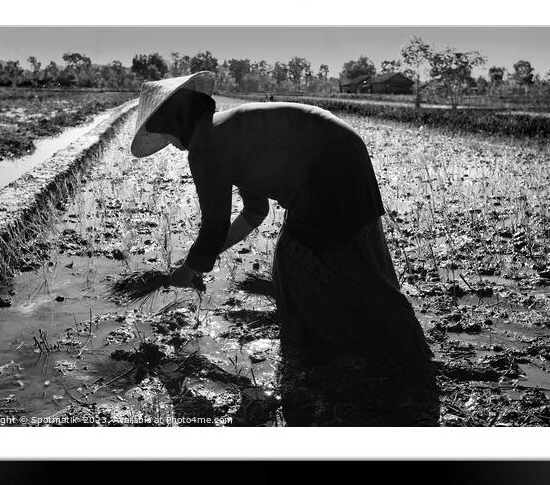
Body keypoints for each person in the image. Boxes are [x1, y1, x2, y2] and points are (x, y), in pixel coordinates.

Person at [130, 71, 432, 373]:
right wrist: (203, 259)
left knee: (295, 263)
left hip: (327, 168)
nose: (172, 145)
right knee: (354, 260)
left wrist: (189, 268)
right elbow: (254, 212)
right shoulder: (227, 131)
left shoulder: (205, 147)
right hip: (346, 151)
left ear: (175, 123)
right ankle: (385, 345)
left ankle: (343, 349)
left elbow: (214, 225)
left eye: (167, 136)